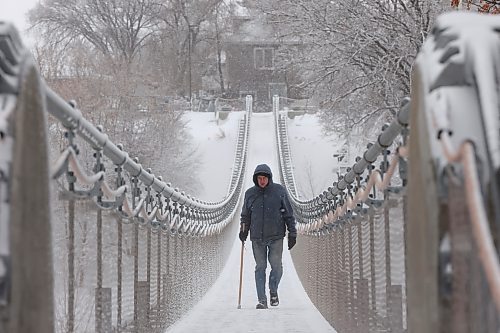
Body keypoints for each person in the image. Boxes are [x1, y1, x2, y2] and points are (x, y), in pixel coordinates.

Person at [239, 163, 297, 309]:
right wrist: (243, 230)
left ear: (269, 178)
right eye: (260, 178)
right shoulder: (250, 194)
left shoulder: (279, 191)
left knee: (277, 267)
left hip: (276, 236)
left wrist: (292, 233)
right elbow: (245, 215)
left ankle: (273, 289)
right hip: (257, 238)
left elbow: (289, 214)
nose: (262, 181)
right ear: (256, 179)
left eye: (264, 178)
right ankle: (262, 300)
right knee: (260, 267)